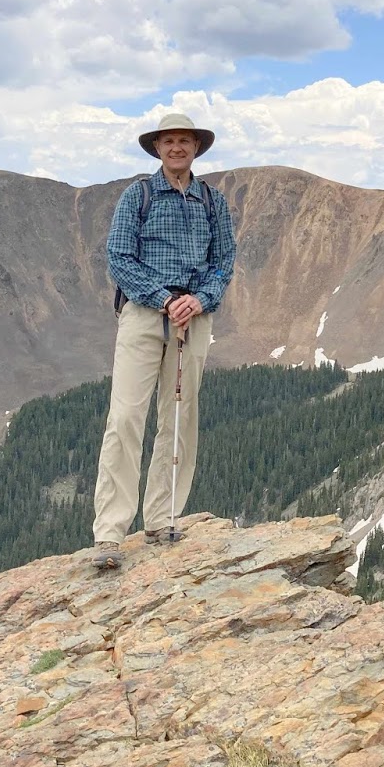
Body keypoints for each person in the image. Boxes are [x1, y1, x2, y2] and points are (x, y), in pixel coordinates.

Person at [90, 112, 237, 569]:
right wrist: (162, 298)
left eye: (184, 141)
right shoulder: (138, 195)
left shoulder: (212, 202)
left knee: (179, 416)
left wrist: (199, 299)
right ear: (157, 148)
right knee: (126, 417)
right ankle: (110, 533)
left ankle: (162, 517)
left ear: (196, 148)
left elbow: (223, 261)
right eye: (169, 141)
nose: (177, 148)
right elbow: (119, 256)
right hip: (143, 314)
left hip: (193, 317)